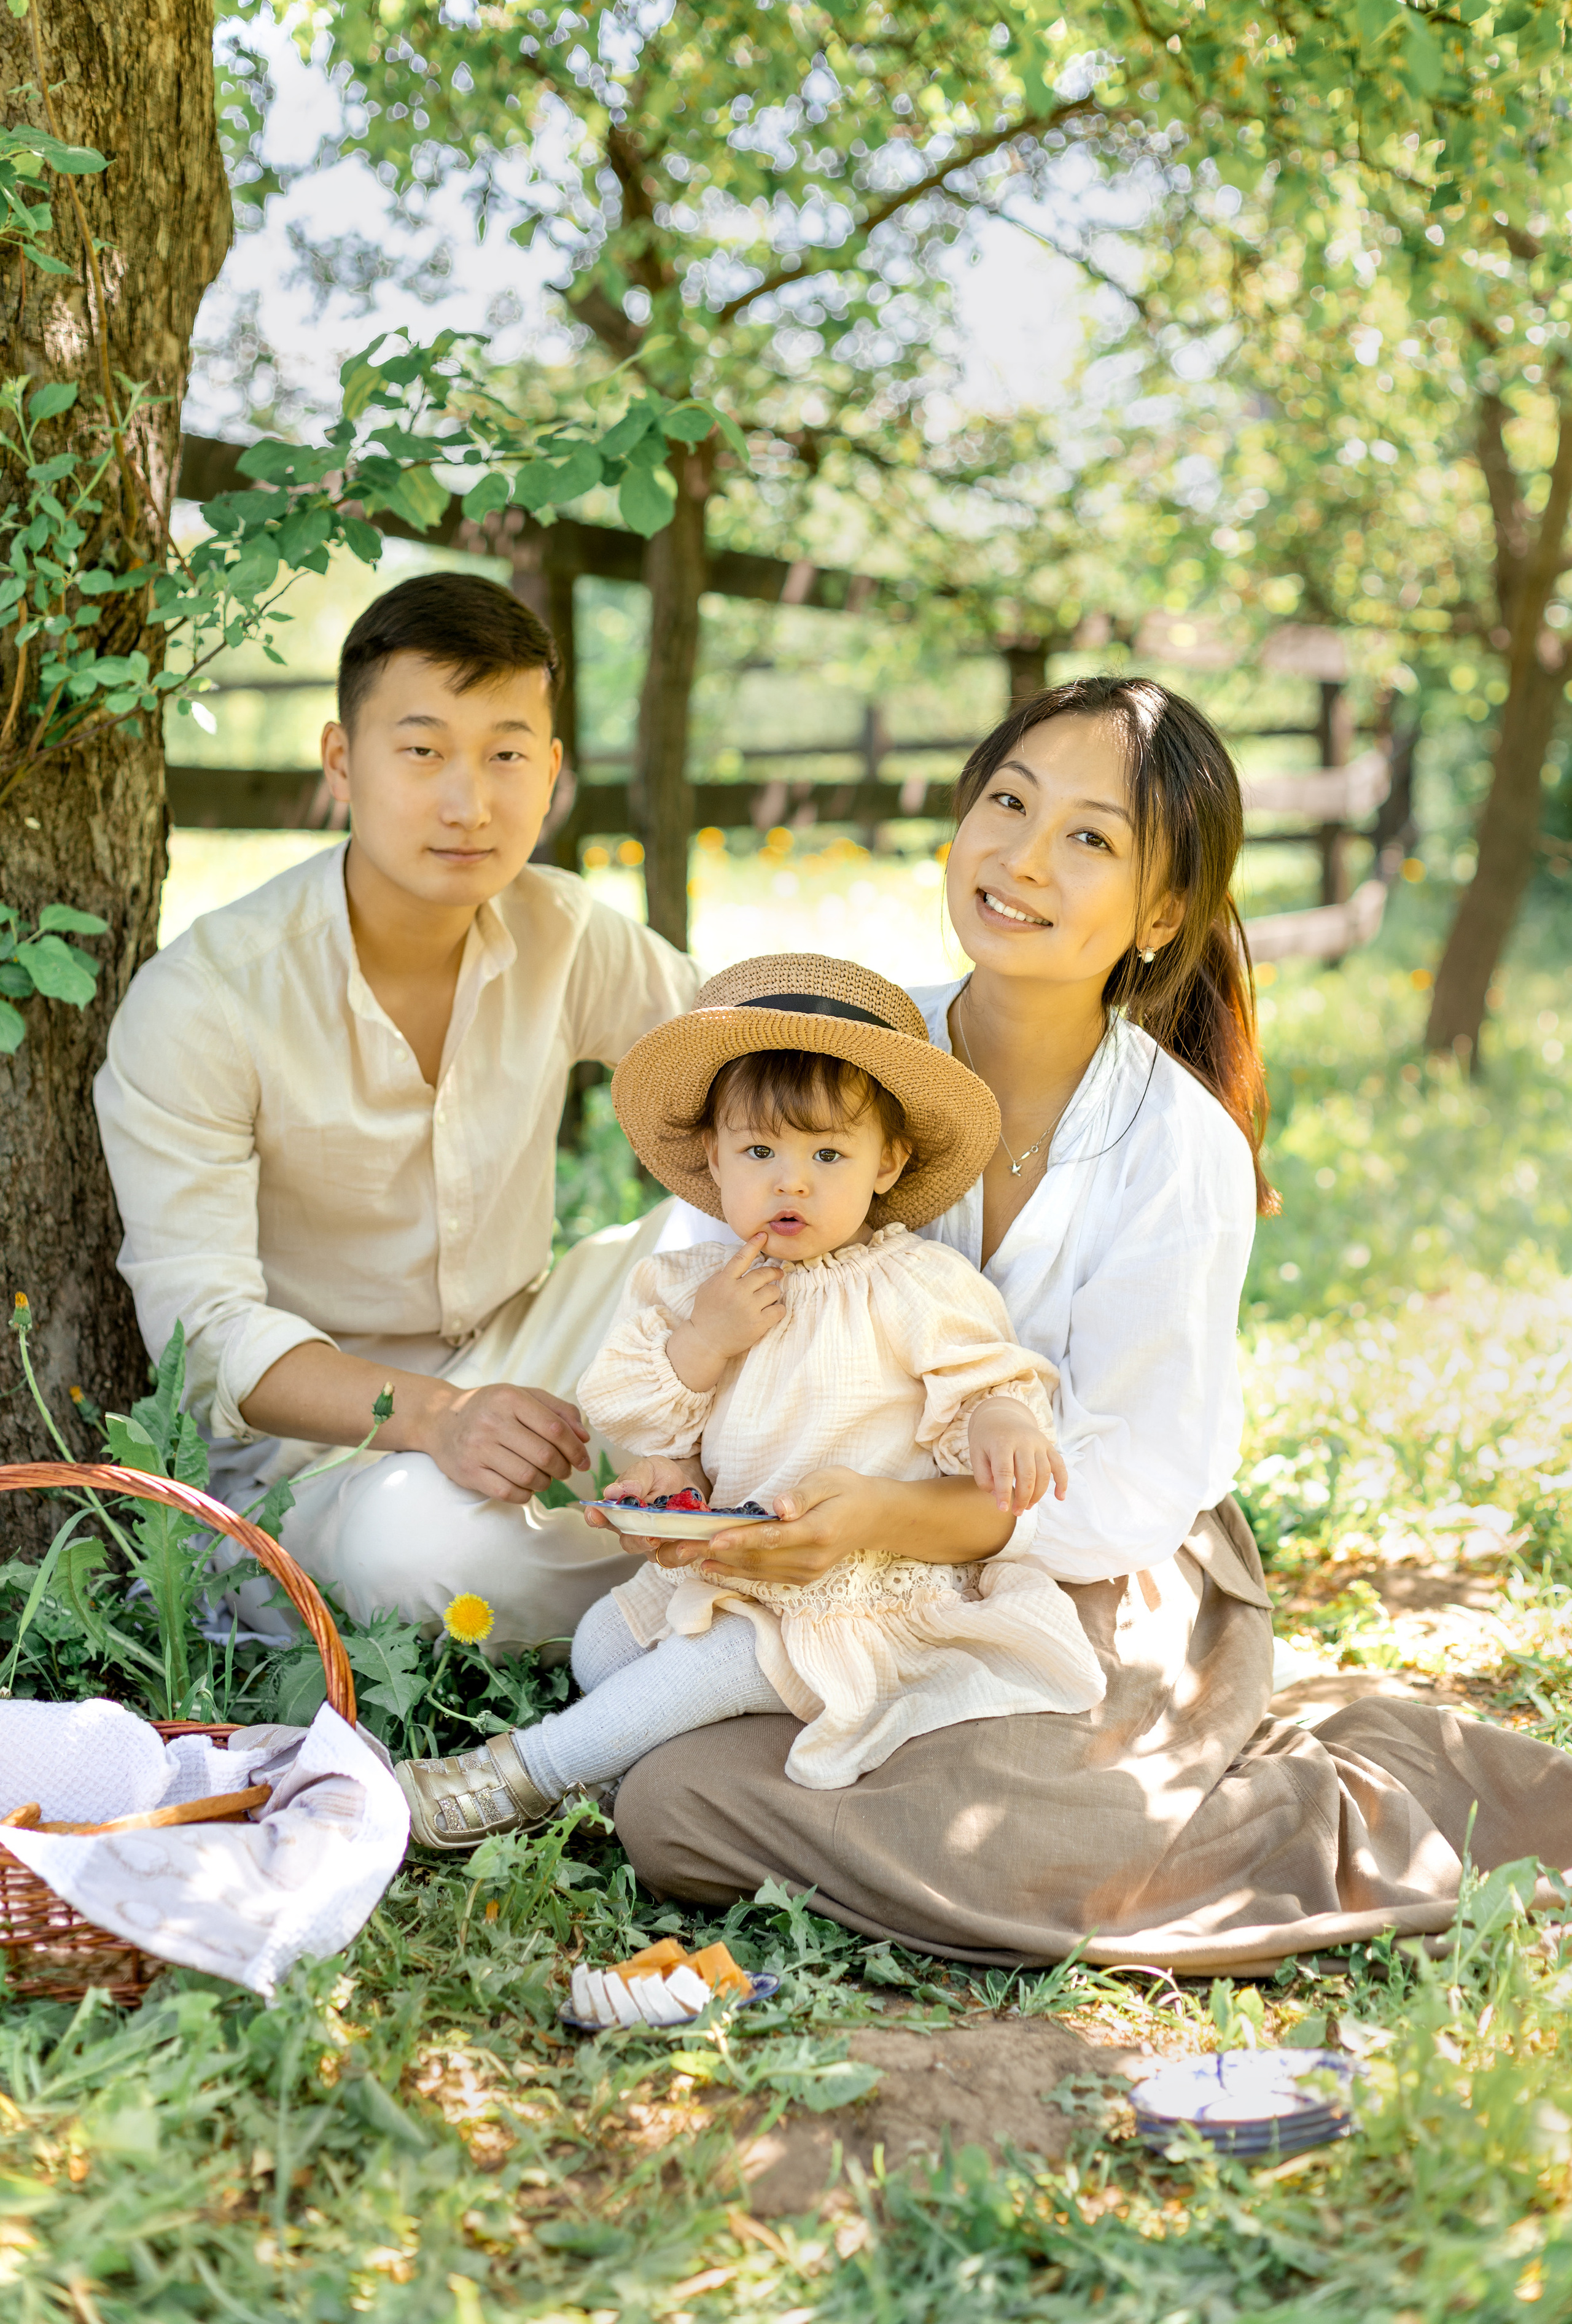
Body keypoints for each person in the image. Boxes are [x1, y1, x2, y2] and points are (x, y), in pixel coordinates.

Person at [607, 676, 1572, 1973]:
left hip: (1099, 1582)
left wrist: (895, 1517)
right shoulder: (829, 1053)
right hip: (814, 1571)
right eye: (1006, 802)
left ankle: (1330, 1810)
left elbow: (1127, 1491)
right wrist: (681, 1472)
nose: (1021, 856)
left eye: (1090, 837)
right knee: (670, 1799)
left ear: (1159, 912)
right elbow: (682, 1298)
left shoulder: (1173, 1143)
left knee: (912, 1827)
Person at [95, 572, 698, 1644]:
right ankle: (713, 1578)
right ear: (342, 763)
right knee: (416, 1555)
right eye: (422, 751)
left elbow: (754, 1064)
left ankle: (720, 1530)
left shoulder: (564, 930)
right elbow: (208, 1336)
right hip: (325, 1452)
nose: (469, 802)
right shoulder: (208, 999)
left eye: (507, 754)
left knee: (782, 1228)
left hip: (528, 1353)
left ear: (552, 772)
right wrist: (437, 1419)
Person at [395, 954, 1108, 1849]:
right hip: (726, 1569)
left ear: (887, 1162)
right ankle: (642, 1741)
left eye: (828, 1154)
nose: (792, 1181)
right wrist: (698, 1361)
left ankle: (518, 1777)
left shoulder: (915, 1284)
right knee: (598, 1650)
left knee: (713, 1663)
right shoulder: (691, 1286)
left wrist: (1004, 1420)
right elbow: (634, 1409)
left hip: (858, 1583)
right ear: (713, 1157)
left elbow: (988, 1381)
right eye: (760, 1151)